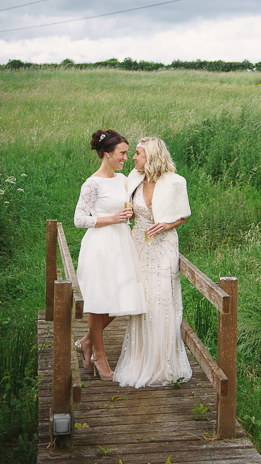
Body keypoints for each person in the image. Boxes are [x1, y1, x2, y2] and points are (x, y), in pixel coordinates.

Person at [113, 137, 193, 388]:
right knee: (142, 299)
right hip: (139, 243)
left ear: (151, 156)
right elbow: (130, 211)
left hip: (164, 245)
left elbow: (184, 216)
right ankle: (139, 359)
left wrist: (167, 225)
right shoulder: (134, 179)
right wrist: (127, 214)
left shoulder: (176, 182)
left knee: (161, 299)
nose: (133, 157)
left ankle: (162, 364)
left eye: (138, 153)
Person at [74, 129, 146, 381]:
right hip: (100, 246)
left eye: (127, 153)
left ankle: (86, 341)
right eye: (122, 153)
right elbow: (79, 219)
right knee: (99, 301)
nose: (126, 157)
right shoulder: (92, 184)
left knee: (124, 296)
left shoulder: (122, 178)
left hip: (122, 243)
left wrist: (129, 214)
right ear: (107, 153)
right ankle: (100, 356)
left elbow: (127, 207)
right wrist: (111, 219)